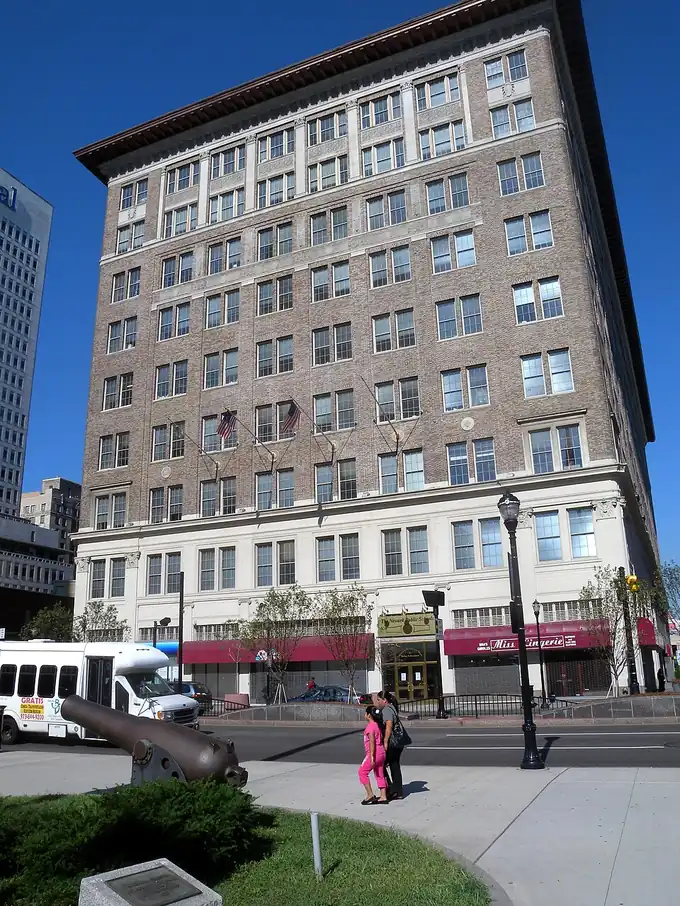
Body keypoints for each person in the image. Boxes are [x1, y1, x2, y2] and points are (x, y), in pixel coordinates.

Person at [374, 690, 404, 800]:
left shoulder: (386, 709)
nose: (377, 702)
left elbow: (389, 726)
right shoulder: (392, 707)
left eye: (378, 700)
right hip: (399, 742)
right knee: (394, 765)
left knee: (379, 764)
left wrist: (385, 742)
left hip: (392, 743)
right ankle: (398, 791)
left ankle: (389, 789)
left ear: (384, 700)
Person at [358, 707, 388, 805]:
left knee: (362, 772)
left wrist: (371, 756)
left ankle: (370, 795)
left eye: (365, 713)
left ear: (369, 715)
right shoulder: (377, 725)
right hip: (381, 752)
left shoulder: (370, 727)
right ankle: (383, 796)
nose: (364, 715)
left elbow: (372, 741)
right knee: (379, 773)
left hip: (374, 753)